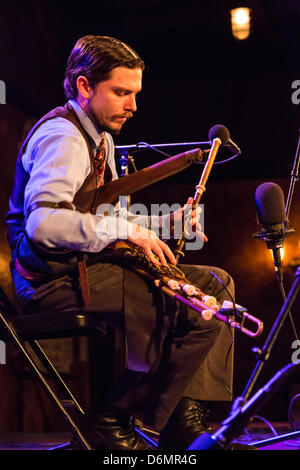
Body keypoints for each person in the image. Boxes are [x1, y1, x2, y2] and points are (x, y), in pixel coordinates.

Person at [6, 35, 236, 450]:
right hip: (50, 282)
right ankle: (112, 418)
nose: (133, 105)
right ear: (83, 86)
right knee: (196, 297)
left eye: (135, 93)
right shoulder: (64, 137)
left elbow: (100, 215)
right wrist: (129, 231)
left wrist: (163, 224)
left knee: (217, 285)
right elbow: (44, 224)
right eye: (122, 92)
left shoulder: (101, 139)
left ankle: (181, 421)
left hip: (82, 269)